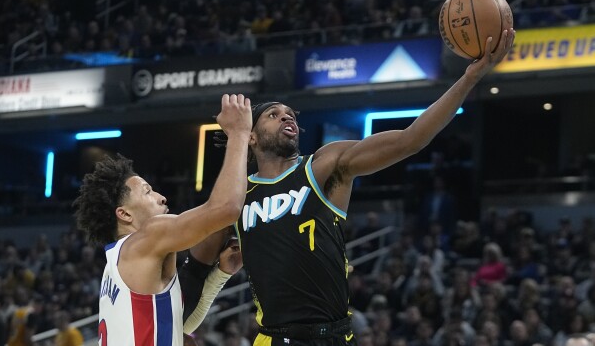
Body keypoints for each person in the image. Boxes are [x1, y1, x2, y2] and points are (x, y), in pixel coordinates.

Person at [215, 29, 515, 344]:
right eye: (274, 115)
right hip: (272, 338)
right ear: (250, 136)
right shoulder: (236, 194)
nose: (286, 117)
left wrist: (469, 78)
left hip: (330, 336)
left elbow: (409, 140)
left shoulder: (322, 165)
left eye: (290, 114)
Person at [73, 94, 252, 345]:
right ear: (124, 214)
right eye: (148, 191)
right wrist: (239, 133)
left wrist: (221, 274)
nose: (161, 197)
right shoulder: (146, 237)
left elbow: (180, 324)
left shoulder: (118, 266)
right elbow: (227, 208)